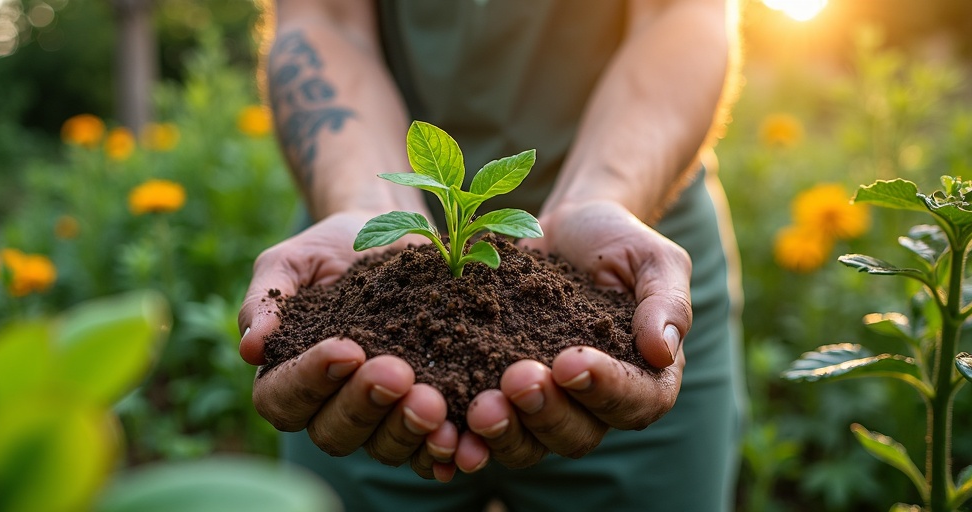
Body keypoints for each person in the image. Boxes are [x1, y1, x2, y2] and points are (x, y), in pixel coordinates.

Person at [238, 0, 744, 510]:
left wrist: (601, 197)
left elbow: (676, 15)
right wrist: (365, 203)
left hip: (624, 248)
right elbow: (327, 19)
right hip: (354, 222)